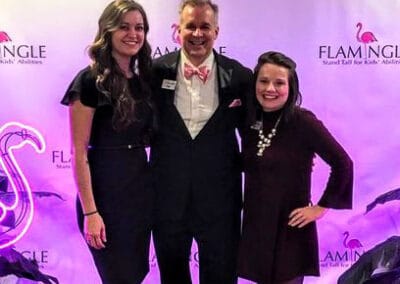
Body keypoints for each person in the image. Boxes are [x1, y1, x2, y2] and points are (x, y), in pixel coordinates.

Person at [150, 0, 252, 283]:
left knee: (221, 276)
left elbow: (253, 135)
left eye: (204, 26)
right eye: (190, 26)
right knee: (172, 276)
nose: (197, 34)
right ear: (177, 30)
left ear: (216, 31)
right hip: (168, 198)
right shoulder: (154, 72)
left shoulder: (240, 76)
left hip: (221, 200)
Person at [237, 51, 353, 284]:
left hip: (290, 227)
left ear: (291, 87)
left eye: (279, 83)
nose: (270, 88)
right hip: (257, 225)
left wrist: (321, 207)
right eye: (263, 81)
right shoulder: (248, 119)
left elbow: (343, 163)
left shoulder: (303, 122)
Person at [61, 1, 154, 283]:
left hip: (139, 194)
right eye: (124, 27)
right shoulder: (88, 81)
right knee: (118, 276)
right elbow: (79, 153)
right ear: (108, 30)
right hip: (105, 197)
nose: (133, 34)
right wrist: (91, 212)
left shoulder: (141, 82)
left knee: (136, 274)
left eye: (139, 28)